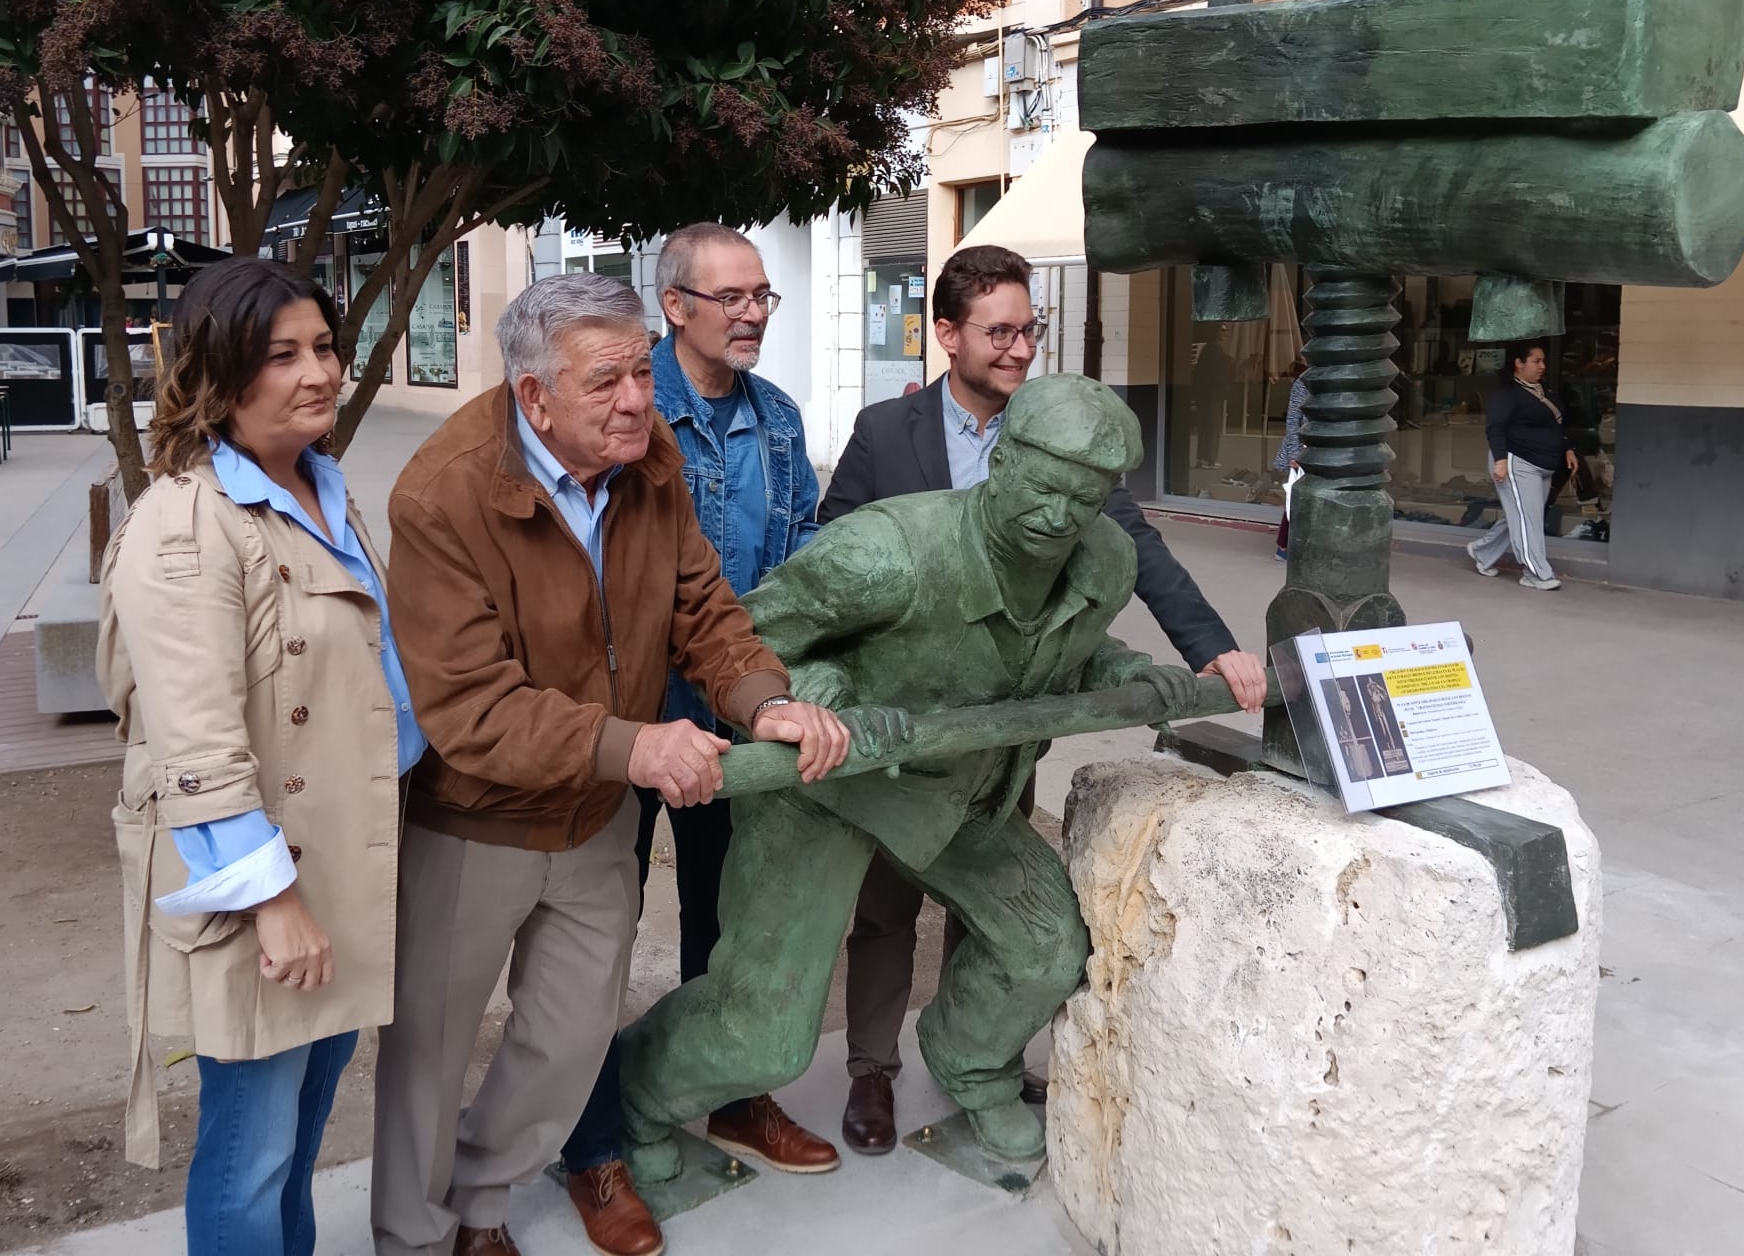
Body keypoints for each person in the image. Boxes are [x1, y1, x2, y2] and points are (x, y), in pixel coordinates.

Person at [371, 274, 849, 1256]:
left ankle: (482, 1200)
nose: (638, 399)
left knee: (566, 1041)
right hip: (475, 821)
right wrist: (637, 746)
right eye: (608, 382)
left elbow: (704, 612)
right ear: (534, 395)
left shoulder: (648, 461)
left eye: (641, 370)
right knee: (428, 1053)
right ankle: (414, 1237)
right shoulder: (441, 491)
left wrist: (769, 699)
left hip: (596, 818)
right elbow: (466, 703)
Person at [621, 374, 1204, 1171]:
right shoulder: (884, 554)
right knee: (764, 1034)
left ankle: (973, 1066)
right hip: (827, 787)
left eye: (1086, 498)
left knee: (1045, 950)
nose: (1060, 516)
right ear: (1001, 460)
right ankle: (630, 1100)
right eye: (1045, 487)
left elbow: (1065, 645)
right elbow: (748, 642)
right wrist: (826, 698)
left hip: (954, 788)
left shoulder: (1102, 562)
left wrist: (1131, 669)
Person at [817, 243, 1268, 1154]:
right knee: (884, 909)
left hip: (1004, 728)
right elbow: (833, 561)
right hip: (903, 728)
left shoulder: (1061, 433)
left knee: (994, 905)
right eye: (999, 332)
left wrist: (1214, 650)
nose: (1021, 350)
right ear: (947, 335)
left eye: (1030, 329)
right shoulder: (884, 433)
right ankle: (873, 1070)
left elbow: (1139, 548)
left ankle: (968, 1051)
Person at [99, 258, 420, 1255]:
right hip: (261, 886)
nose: (317, 371)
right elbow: (197, 741)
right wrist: (273, 904)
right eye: (282, 355)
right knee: (250, 1155)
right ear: (221, 373)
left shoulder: (323, 487)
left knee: (301, 1137)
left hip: (343, 859)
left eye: (323, 346)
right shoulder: (186, 523)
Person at [556, 228, 834, 1256]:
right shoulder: (626, 413)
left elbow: (798, 573)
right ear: (675, 306)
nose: (755, 311)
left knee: (732, 922)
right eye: (733, 296)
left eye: (765, 294)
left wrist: (782, 694)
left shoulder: (778, 421)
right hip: (620, 722)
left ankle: (729, 1095)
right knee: (591, 942)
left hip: (737, 717)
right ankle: (590, 1149)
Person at [1468, 339, 1577, 592]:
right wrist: (1500, 461)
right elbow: (1495, 429)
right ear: (1519, 364)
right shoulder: (1506, 394)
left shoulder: (1545, 392)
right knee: (1529, 520)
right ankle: (1536, 572)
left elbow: (1557, 424)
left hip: (1544, 464)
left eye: (1543, 361)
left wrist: (1569, 449)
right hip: (1517, 461)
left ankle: (1482, 552)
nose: (1542, 366)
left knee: (1523, 516)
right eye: (1536, 361)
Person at [1271, 370, 1311, 562]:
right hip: (1305, 447)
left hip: (1325, 447)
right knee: (1296, 498)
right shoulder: (1304, 381)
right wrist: (1295, 453)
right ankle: (1284, 548)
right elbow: (1293, 419)